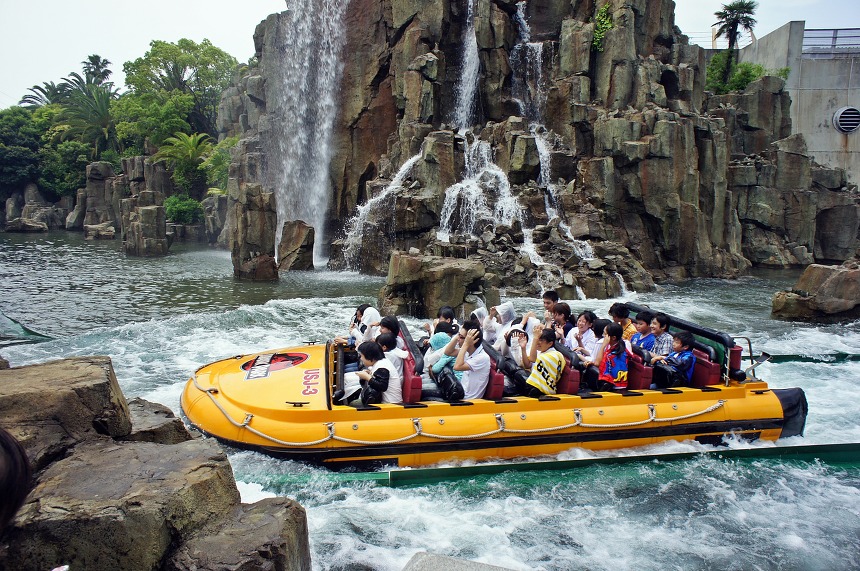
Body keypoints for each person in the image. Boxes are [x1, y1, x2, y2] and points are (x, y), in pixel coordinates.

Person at [336, 340, 402, 405]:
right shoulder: (381, 362)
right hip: (382, 399)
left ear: (370, 357)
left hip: (390, 404)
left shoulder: (382, 367)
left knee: (354, 404)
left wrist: (367, 377)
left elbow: (382, 386)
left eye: (361, 356)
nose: (361, 358)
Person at [443, 319, 491, 400]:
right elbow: (448, 352)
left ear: (471, 340)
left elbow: (457, 367)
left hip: (468, 400)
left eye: (461, 337)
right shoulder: (468, 351)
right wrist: (459, 335)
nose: (458, 339)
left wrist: (465, 344)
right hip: (461, 392)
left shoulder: (482, 358)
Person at [581, 323, 630, 391]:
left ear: (613, 338)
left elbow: (597, 363)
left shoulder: (615, 353)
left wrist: (603, 345)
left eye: (605, 334)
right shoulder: (613, 346)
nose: (603, 336)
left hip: (615, 387)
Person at [517, 327, 566, 396]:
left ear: (550, 343)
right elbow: (527, 365)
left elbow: (532, 359)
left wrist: (535, 338)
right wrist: (523, 348)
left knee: (517, 373)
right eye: (538, 339)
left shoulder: (554, 355)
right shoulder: (542, 352)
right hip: (535, 387)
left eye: (541, 340)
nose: (538, 342)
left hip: (544, 390)